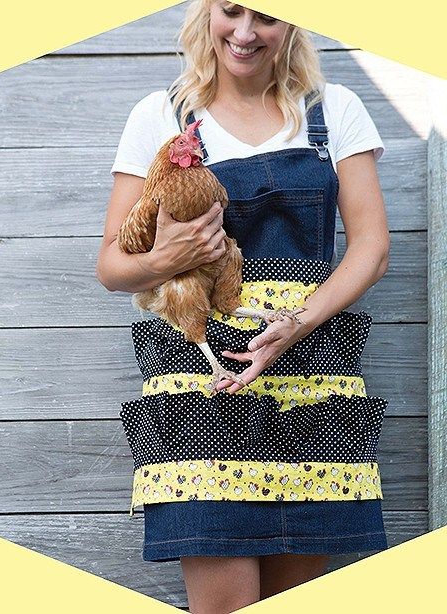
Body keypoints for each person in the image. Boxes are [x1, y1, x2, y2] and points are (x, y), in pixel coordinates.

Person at [96, 0, 391, 611]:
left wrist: (298, 322)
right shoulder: (163, 115)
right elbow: (112, 267)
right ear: (207, 12)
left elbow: (372, 247)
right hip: (204, 384)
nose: (247, 32)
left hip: (309, 379)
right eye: (232, 12)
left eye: (269, 16)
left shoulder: (334, 111)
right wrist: (164, 257)